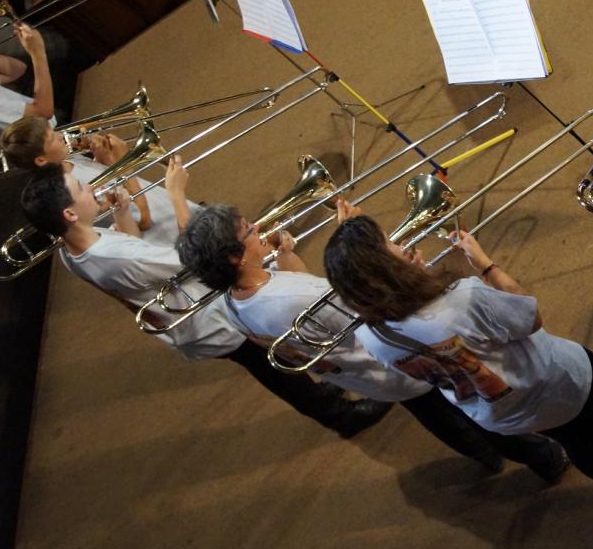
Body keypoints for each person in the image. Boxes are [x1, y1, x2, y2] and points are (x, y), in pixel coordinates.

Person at [323, 204, 593, 513]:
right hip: (557, 378)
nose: (402, 245)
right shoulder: (461, 299)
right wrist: (485, 264)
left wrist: (351, 238)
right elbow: (529, 316)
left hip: (502, 413)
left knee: (581, 443)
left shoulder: (368, 333)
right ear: (383, 269)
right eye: (390, 246)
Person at [176, 203, 571, 481]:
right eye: (248, 232)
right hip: (391, 360)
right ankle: (539, 456)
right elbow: (368, 307)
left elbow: (312, 311)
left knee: (433, 415)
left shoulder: (232, 300)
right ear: (233, 258)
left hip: (366, 374)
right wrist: (385, 260)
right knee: (461, 408)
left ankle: (484, 456)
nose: (258, 230)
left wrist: (296, 261)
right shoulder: (287, 299)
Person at [20, 164, 391, 438]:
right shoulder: (112, 255)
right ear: (70, 214)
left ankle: (323, 393)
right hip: (210, 319)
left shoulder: (73, 250)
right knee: (273, 365)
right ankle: (339, 416)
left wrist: (120, 212)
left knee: (270, 363)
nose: (91, 187)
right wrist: (176, 195)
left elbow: (131, 246)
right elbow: (198, 256)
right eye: (81, 188)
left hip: (195, 313)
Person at [0, 113, 205, 246]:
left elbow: (109, 178)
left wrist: (104, 157)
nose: (62, 135)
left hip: (163, 205)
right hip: (164, 233)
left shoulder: (70, 160)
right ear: (41, 159)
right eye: (52, 138)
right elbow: (143, 220)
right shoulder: (75, 195)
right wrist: (124, 160)